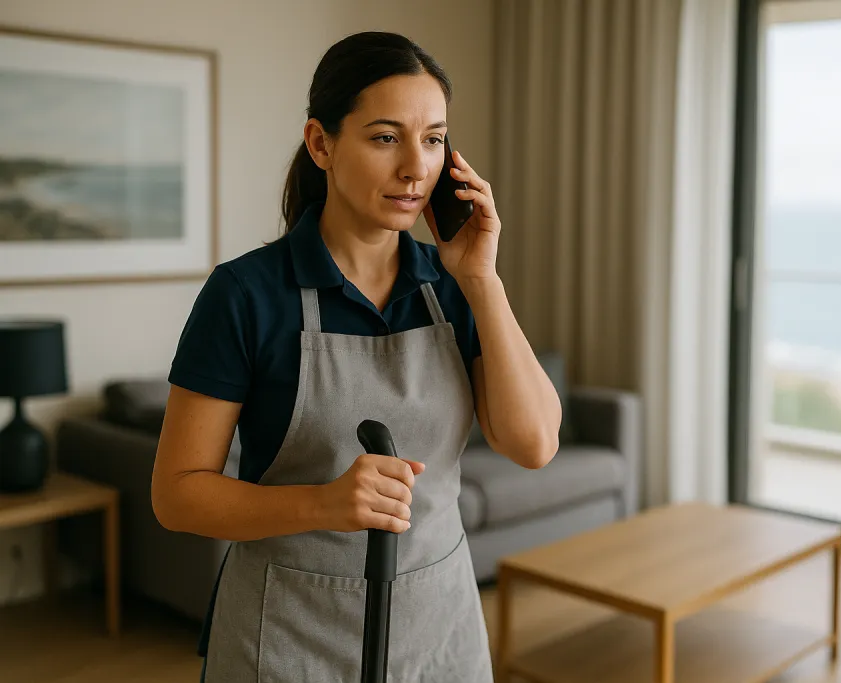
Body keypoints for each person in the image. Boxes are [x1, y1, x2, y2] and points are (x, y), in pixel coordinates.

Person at [150, 31, 561, 682]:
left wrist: (483, 279)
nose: (415, 169)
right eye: (384, 137)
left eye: (433, 139)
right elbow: (176, 495)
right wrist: (323, 503)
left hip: (439, 635)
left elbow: (534, 442)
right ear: (321, 143)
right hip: (285, 638)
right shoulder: (247, 294)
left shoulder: (454, 286)